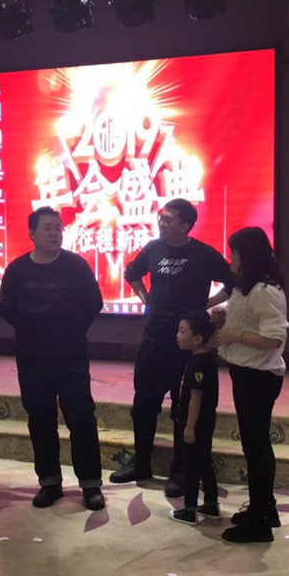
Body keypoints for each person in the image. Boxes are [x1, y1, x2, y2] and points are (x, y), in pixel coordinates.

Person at [110, 198, 232, 495]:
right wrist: (146, 300)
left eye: (168, 220)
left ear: (186, 225)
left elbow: (232, 282)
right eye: (161, 218)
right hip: (153, 340)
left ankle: (181, 470)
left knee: (183, 408)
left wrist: (206, 305)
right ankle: (141, 463)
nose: (161, 223)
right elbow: (132, 273)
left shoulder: (203, 254)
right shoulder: (153, 248)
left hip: (188, 346)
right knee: (143, 405)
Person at [0, 207, 106, 511]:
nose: (54, 233)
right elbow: (7, 308)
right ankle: (49, 482)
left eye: (58, 227)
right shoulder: (17, 270)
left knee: (81, 418)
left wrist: (70, 330)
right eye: (47, 228)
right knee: (40, 420)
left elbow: (94, 303)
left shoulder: (77, 266)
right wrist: (35, 330)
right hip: (32, 358)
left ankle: (91, 485)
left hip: (71, 356)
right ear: (32, 233)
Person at [213, 227, 289, 544]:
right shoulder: (246, 287)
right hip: (246, 372)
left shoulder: (264, 290)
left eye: (234, 252)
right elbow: (248, 317)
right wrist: (225, 315)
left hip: (259, 376)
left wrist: (236, 335)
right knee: (253, 446)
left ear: (247, 255)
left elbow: (274, 338)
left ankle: (259, 522)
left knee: (256, 449)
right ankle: (264, 509)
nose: (230, 257)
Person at [168, 312, 220, 526]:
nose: (177, 335)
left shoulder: (198, 364)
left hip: (195, 422)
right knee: (204, 461)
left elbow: (195, 399)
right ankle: (211, 503)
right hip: (205, 421)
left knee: (190, 466)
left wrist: (189, 427)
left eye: (182, 331)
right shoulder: (204, 359)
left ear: (197, 338)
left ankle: (190, 510)